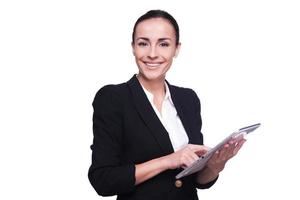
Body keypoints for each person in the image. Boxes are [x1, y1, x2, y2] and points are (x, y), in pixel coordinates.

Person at [88, 10, 246, 200]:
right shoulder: (113, 98)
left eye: (163, 44)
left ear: (176, 49)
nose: (152, 54)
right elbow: (103, 180)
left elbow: (196, 180)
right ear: (133, 47)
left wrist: (215, 165)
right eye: (143, 43)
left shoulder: (188, 99)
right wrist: (168, 161)